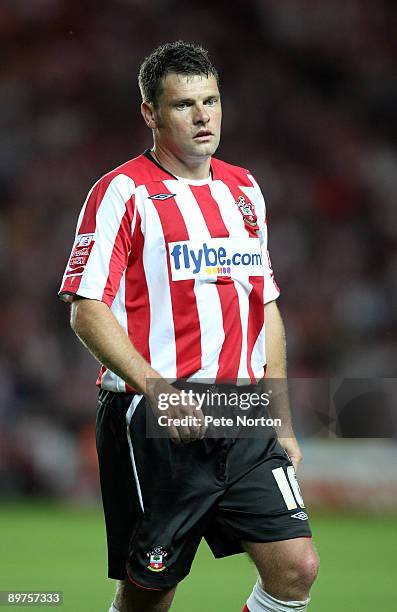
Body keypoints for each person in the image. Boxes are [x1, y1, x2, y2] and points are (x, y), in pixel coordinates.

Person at [59, 41, 319, 612]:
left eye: (211, 101)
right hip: (153, 412)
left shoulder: (244, 189)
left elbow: (265, 308)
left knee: (296, 568)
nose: (203, 117)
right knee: (150, 591)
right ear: (151, 113)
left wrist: (281, 418)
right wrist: (159, 391)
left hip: (243, 409)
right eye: (184, 105)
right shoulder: (120, 192)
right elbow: (86, 308)